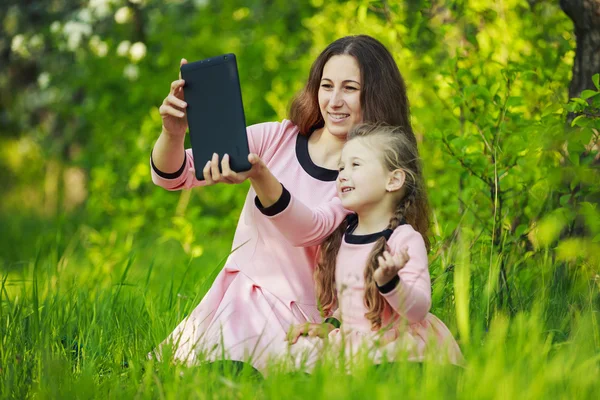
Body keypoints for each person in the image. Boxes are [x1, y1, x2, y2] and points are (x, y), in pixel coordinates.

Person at [149, 35, 417, 374]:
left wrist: (260, 176)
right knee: (202, 376)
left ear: (376, 95)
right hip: (240, 304)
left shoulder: (366, 172)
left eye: (349, 88)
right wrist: (172, 133)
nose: (334, 101)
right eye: (326, 85)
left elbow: (311, 227)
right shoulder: (279, 137)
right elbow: (174, 175)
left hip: (303, 320)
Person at [251, 123, 463, 371]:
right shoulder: (347, 235)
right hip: (356, 344)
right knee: (296, 362)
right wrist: (330, 324)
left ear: (393, 180)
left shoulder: (403, 239)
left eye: (356, 165)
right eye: (341, 167)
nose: (342, 174)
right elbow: (355, 304)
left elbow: (417, 311)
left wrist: (391, 283)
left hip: (399, 345)